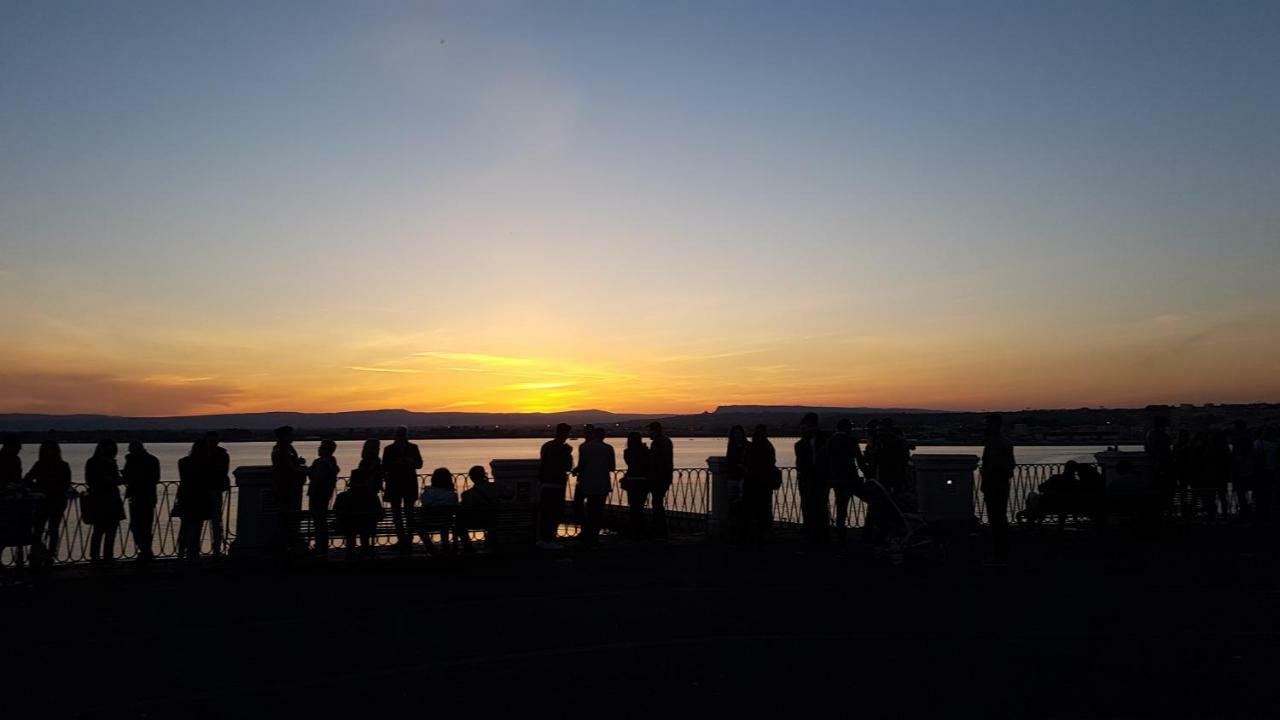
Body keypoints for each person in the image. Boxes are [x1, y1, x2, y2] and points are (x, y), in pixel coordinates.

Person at [24, 440, 71, 567]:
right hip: (46, 502)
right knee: (42, 530)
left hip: (53, 501)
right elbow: (27, 479)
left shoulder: (54, 465)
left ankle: (46, 555)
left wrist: (38, 488)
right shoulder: (44, 465)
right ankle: (42, 554)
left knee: (50, 529)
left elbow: (65, 484)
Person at [335, 440, 384, 558]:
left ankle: (352, 550)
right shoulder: (376, 464)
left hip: (356, 509)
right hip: (369, 504)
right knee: (366, 527)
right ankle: (365, 550)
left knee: (353, 526)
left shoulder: (344, 497)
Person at [824, 419, 866, 542]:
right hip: (851, 478)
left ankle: (840, 532)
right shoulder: (851, 440)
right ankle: (869, 530)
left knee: (841, 507)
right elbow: (859, 459)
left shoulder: (830, 441)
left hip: (836, 479)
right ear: (847, 428)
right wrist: (868, 472)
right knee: (872, 500)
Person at [981, 414, 1016, 564]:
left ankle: (999, 554)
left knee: (996, 518)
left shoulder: (995, 443)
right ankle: (1003, 552)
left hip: (994, 484)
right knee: (1000, 517)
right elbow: (1011, 465)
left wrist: (988, 476)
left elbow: (992, 465)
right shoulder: (1006, 442)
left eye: (988, 424)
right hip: (1001, 483)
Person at [382, 426, 423, 549]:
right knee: (398, 514)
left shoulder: (413, 448)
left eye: (402, 434)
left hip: (406, 484)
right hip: (396, 484)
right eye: (399, 434)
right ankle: (402, 539)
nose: (401, 437)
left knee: (408, 513)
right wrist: (396, 463)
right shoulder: (388, 449)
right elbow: (384, 466)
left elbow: (419, 464)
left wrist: (410, 461)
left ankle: (408, 539)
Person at [84, 440, 125, 564]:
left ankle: (104, 556)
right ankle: (100, 556)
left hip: (108, 499)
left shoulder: (106, 462)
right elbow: (91, 480)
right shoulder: (96, 462)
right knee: (101, 530)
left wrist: (115, 480)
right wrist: (112, 480)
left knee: (106, 530)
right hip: (102, 499)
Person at [576, 427, 616, 547]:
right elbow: (612, 467)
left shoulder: (584, 447)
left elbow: (581, 466)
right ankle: (594, 536)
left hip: (588, 483)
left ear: (593, 435)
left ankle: (586, 533)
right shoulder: (609, 448)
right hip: (603, 483)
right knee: (598, 511)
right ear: (604, 436)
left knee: (589, 509)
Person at [122, 441, 160, 562]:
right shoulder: (151, 459)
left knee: (141, 525)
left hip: (143, 496)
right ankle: (145, 549)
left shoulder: (147, 460)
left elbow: (154, 478)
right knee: (141, 525)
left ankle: (145, 550)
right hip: (142, 496)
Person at [794, 412, 829, 544]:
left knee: (820, 506)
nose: (804, 430)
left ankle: (820, 532)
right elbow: (800, 462)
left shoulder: (825, 440)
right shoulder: (800, 444)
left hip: (819, 478)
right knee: (809, 505)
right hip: (806, 478)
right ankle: (811, 530)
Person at [271, 425, 307, 553]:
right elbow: (286, 468)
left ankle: (290, 543)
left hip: (290, 488)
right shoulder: (280, 450)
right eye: (290, 435)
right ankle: (287, 545)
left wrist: (297, 462)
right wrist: (298, 466)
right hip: (286, 489)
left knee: (289, 516)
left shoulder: (286, 449)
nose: (292, 437)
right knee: (287, 516)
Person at [537, 423, 573, 549]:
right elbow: (567, 466)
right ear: (565, 433)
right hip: (557, 483)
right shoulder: (563, 449)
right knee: (555, 512)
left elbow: (543, 462)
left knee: (545, 512)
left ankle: (543, 538)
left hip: (544, 482)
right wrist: (568, 453)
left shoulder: (546, 446)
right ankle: (550, 539)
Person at [177, 439, 214, 561]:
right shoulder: (207, 464)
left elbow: (184, 479)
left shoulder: (183, 462)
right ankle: (193, 551)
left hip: (186, 497)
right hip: (200, 498)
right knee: (196, 527)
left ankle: (182, 551)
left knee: (185, 526)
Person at [742, 424, 778, 548]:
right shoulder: (768, 447)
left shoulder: (755, 447)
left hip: (756, 482)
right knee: (763, 510)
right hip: (762, 483)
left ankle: (756, 536)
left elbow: (747, 462)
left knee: (756, 510)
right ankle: (762, 535)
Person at [457, 465, 501, 553]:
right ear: (484, 475)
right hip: (494, 520)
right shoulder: (496, 488)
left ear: (471, 478)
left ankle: (468, 548)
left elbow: (464, 510)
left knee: (459, 525)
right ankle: (491, 545)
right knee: (491, 522)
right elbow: (510, 495)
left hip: (474, 523)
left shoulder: (466, 495)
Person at [307, 438, 340, 555]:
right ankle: (321, 545)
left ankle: (320, 546)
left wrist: (309, 470)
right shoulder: (330, 462)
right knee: (320, 520)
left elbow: (316, 477)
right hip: (323, 494)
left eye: (321, 447)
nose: (318, 449)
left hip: (318, 494)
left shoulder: (322, 462)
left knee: (319, 521)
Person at [419, 467, 459, 554]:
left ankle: (430, 548)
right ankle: (445, 545)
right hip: (446, 523)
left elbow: (424, 503)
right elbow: (455, 508)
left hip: (429, 522)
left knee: (419, 526)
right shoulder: (452, 495)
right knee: (445, 522)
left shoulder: (428, 493)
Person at [205, 431, 231, 557]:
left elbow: (223, 471)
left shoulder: (221, 454)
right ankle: (215, 548)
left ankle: (216, 548)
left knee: (216, 520)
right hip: (210, 490)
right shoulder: (221, 454)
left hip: (214, 489)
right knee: (215, 520)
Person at [621, 432, 650, 539]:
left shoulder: (627, 452)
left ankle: (634, 529)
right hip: (644, 481)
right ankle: (640, 529)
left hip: (632, 481)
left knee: (633, 506)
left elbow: (630, 465)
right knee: (640, 506)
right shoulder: (645, 451)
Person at [648, 422, 674, 539]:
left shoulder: (657, 442)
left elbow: (654, 460)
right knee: (658, 502)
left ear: (654, 430)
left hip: (659, 477)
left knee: (657, 503)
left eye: (650, 431)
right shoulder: (667, 441)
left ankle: (659, 530)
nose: (648, 433)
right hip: (666, 476)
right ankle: (661, 529)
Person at [1145, 415, 1175, 516]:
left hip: (1155, 464)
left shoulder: (1150, 434)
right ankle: (1166, 511)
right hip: (1163, 465)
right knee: (1166, 490)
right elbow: (1164, 451)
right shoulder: (1160, 435)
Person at [723, 426, 749, 539]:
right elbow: (729, 460)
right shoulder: (731, 447)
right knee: (732, 504)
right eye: (735, 434)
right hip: (732, 478)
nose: (737, 436)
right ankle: (734, 531)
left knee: (743, 504)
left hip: (744, 479)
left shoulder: (748, 446)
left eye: (739, 433)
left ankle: (741, 531)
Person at [1230, 420, 1254, 517]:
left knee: (1241, 493)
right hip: (1245, 470)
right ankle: (1245, 511)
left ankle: (1244, 512)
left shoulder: (1239, 440)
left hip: (1240, 470)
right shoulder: (1248, 439)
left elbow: (1238, 456)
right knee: (1244, 493)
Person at [573, 424, 595, 527]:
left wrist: (576, 470)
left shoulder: (584, 446)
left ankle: (585, 527)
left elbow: (582, 463)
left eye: (588, 432)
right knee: (580, 504)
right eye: (585, 432)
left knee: (581, 504)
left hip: (586, 479)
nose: (586, 434)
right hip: (585, 479)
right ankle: (586, 527)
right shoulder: (582, 446)